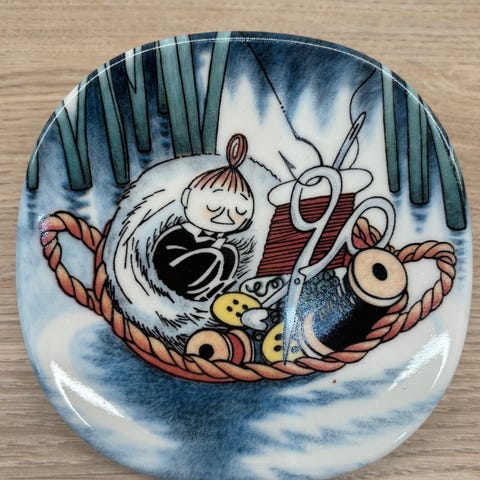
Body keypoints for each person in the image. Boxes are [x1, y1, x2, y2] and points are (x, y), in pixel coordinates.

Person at [153, 134, 254, 301]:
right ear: (186, 197)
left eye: (239, 212)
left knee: (229, 251)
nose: (225, 217)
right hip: (175, 271)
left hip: (200, 273)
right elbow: (186, 256)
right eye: (213, 207)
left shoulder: (213, 237)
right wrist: (218, 242)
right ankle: (198, 290)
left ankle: (213, 289)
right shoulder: (178, 235)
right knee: (214, 254)